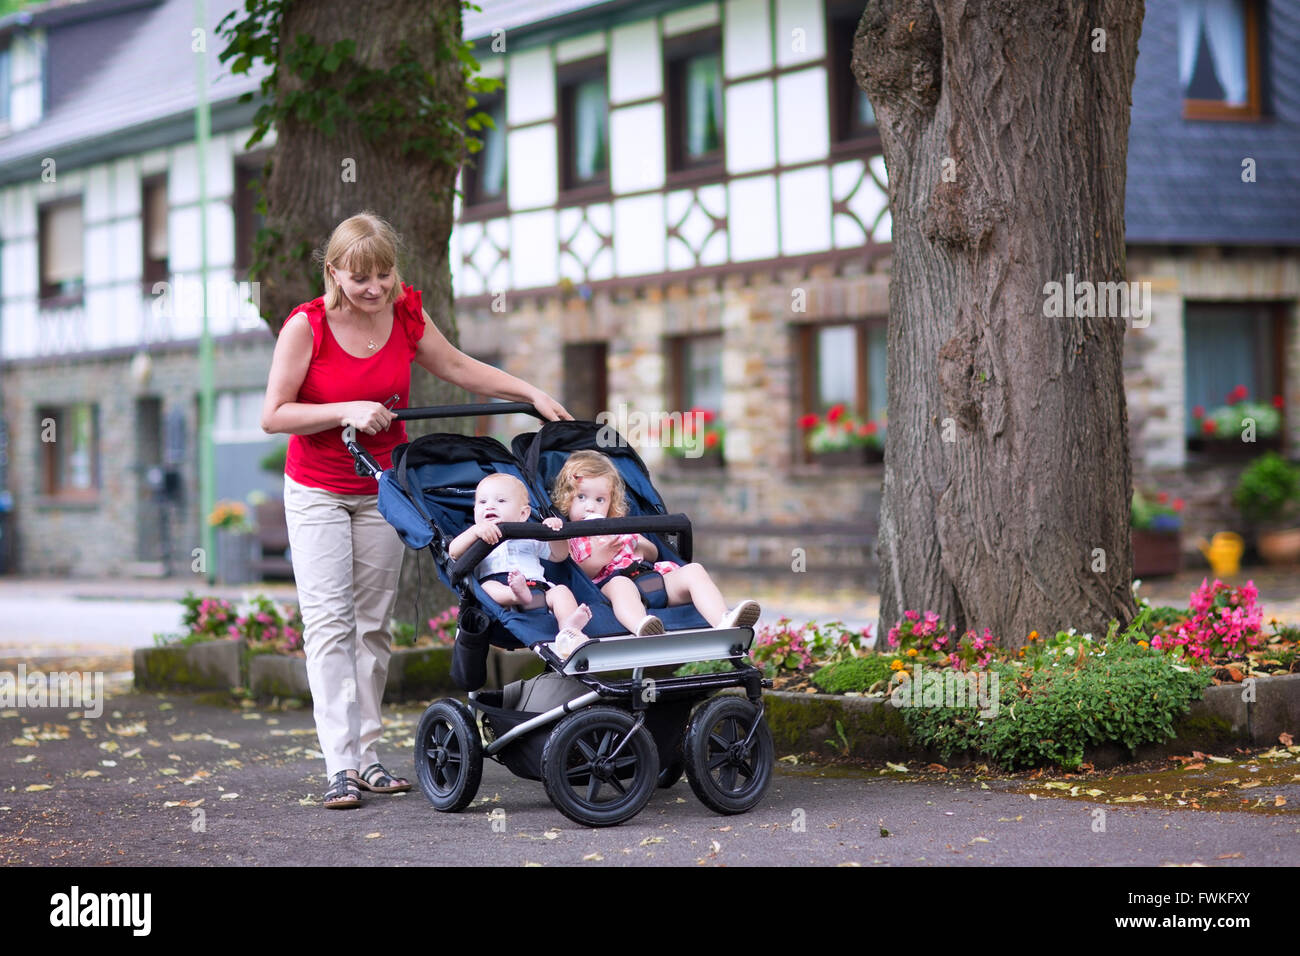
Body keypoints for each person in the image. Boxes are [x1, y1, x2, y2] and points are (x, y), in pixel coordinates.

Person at [261, 211, 571, 809]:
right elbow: (273, 414)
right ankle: (339, 765)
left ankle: (370, 758)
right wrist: (345, 408)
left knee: (373, 625)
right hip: (318, 490)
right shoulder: (308, 327)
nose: (374, 288)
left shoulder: (404, 312)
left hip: (382, 488)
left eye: (382, 274)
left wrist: (526, 391)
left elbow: (455, 365)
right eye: (360, 278)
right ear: (334, 274)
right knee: (329, 626)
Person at [551, 450, 760, 636]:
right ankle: (642, 626)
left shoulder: (619, 526)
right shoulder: (573, 536)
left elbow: (652, 553)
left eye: (600, 500)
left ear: (610, 502)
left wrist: (638, 545)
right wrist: (600, 558)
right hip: (611, 583)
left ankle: (723, 621)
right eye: (581, 497)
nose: (590, 507)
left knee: (694, 570)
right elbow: (580, 574)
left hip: (652, 577)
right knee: (621, 586)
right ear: (567, 499)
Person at [448, 473, 592, 659]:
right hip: (502, 595)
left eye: (500, 500)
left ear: (523, 514)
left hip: (538, 592)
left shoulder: (530, 536)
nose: (490, 505)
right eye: (482, 502)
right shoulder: (476, 539)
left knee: (561, 591)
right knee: (487, 587)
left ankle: (569, 629)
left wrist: (554, 532)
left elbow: (559, 555)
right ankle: (515, 594)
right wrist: (475, 531)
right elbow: (453, 552)